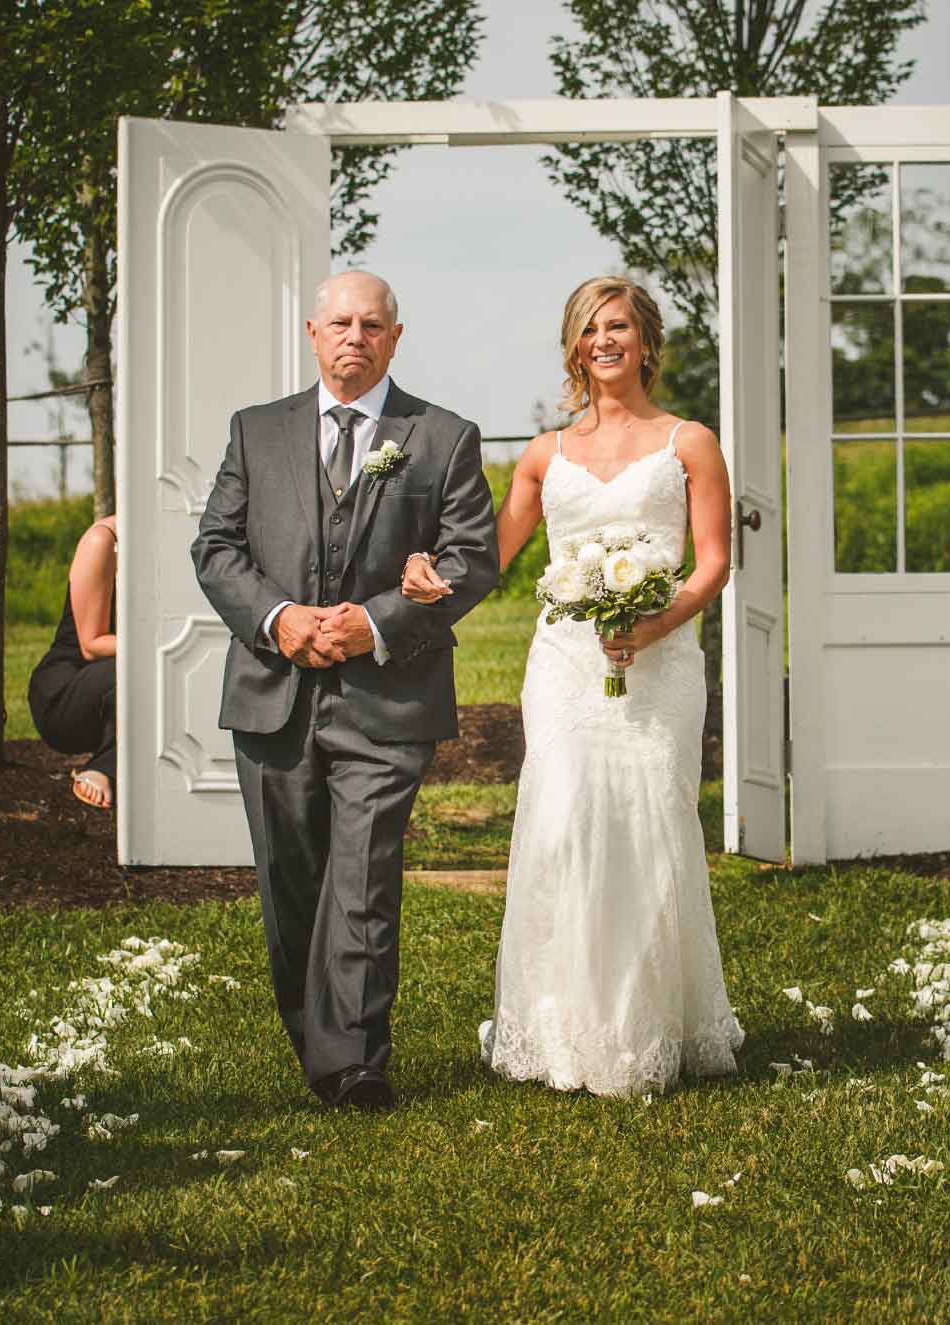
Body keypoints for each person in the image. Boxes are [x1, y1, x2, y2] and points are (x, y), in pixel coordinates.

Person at [401, 276, 744, 1097]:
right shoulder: (545, 455)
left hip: (659, 661)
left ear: (647, 341)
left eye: (618, 326)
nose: (604, 341)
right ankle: (560, 1025)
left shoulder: (689, 442)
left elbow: (715, 563)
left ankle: (649, 1025)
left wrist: (656, 625)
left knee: (651, 822)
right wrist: (424, 574)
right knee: (563, 821)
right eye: (590, 330)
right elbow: (486, 555)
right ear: (573, 346)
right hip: (564, 665)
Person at [190, 271, 500, 1110]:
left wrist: (378, 621)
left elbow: (473, 558)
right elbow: (215, 547)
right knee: (291, 884)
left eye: (371, 324)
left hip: (387, 696)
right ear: (312, 332)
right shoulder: (257, 433)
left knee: (364, 874)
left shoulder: (442, 436)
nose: (354, 336)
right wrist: (279, 617)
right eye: (339, 323)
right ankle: (316, 1038)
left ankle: (356, 1060)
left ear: (395, 338)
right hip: (273, 689)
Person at [28, 514, 119, 809]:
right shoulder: (103, 540)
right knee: (142, 669)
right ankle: (104, 768)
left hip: (110, 678)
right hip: (63, 691)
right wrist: (158, 646)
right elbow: (91, 644)